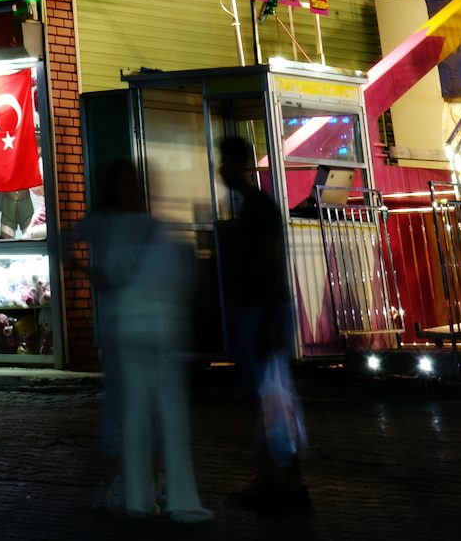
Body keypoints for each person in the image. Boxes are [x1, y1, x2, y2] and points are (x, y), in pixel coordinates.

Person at [87, 160, 210, 523]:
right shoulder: (154, 228)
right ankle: (180, 501)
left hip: (127, 327)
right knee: (170, 414)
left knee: (136, 413)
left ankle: (137, 500)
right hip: (162, 327)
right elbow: (181, 276)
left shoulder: (110, 226)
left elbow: (104, 272)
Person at [215, 136, 311, 515]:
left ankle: (291, 485)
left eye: (224, 162)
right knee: (265, 398)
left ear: (238, 166)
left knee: (273, 399)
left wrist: (269, 318)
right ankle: (272, 480)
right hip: (259, 312)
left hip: (265, 312)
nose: (220, 171)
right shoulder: (253, 207)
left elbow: (270, 263)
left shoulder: (259, 208)